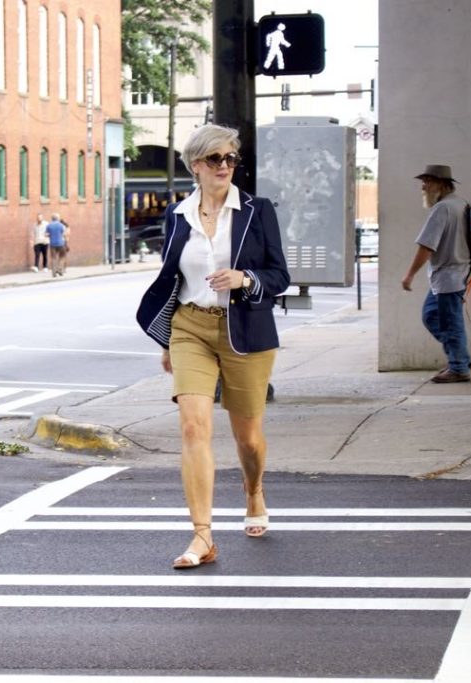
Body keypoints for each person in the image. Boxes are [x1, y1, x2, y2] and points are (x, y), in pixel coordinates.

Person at [136, 123, 291, 569]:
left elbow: (280, 276)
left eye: (230, 158)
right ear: (196, 165)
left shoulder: (257, 211)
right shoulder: (178, 214)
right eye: (215, 159)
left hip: (244, 330)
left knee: (248, 436)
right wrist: (168, 340)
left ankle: (254, 489)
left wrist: (245, 279)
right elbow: (174, 279)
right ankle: (202, 535)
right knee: (192, 427)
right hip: (190, 327)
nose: (225, 166)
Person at [401, 164, 471, 383]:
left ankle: (459, 366)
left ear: (442, 184)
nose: (423, 186)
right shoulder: (461, 204)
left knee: (449, 322)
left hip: (448, 276)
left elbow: (427, 246)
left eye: (428, 181)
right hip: (456, 274)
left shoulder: (443, 209)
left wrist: (410, 275)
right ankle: (459, 356)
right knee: (433, 315)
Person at [45, 213, 67, 277]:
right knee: (62, 256)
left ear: (52, 219)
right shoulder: (61, 225)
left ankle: (54, 273)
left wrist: (51, 235)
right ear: (58, 218)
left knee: (53, 258)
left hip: (52, 244)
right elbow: (64, 234)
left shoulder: (49, 225)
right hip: (61, 243)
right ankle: (60, 269)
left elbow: (46, 234)